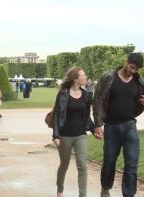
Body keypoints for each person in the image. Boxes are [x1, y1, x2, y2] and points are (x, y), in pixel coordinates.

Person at [92, 53, 144, 197]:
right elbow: (98, 100)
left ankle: (128, 194)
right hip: (112, 127)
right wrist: (98, 124)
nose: (133, 71)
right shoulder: (108, 77)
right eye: (131, 67)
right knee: (109, 161)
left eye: (136, 69)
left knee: (131, 164)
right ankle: (105, 188)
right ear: (126, 61)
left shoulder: (138, 80)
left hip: (130, 126)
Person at [52, 67, 94, 197]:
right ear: (76, 79)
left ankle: (83, 195)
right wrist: (55, 135)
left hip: (81, 134)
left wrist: (94, 130)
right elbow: (56, 115)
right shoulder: (63, 94)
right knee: (64, 164)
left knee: (82, 165)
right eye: (83, 75)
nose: (86, 77)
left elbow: (87, 116)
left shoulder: (86, 94)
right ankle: (60, 190)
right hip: (65, 135)